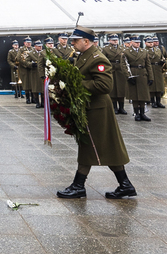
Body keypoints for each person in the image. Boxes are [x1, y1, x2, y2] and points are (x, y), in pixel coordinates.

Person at [56, 26, 136, 199]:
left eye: (76, 40)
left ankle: (78, 186)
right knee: (104, 146)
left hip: (97, 109)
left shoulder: (97, 59)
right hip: (91, 107)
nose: (73, 43)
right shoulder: (83, 56)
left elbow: (105, 86)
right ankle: (125, 185)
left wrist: (74, 83)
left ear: (86, 41)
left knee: (91, 144)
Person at [124, 36, 152, 121]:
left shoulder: (144, 51)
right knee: (135, 95)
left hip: (142, 74)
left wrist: (151, 77)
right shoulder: (126, 52)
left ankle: (143, 113)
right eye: (136, 42)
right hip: (133, 73)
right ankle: (137, 113)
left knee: (143, 95)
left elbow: (148, 65)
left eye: (139, 42)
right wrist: (128, 76)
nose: (138, 44)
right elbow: (124, 65)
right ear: (131, 42)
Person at [102, 34, 127, 115]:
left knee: (121, 90)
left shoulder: (122, 48)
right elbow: (103, 60)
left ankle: (121, 107)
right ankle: (114, 107)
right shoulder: (106, 49)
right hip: (111, 69)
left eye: (116, 39)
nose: (115, 41)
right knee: (113, 90)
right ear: (109, 40)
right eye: (113, 40)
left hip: (120, 70)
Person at [146, 36, 166, 108]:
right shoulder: (144, 51)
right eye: (149, 42)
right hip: (150, 67)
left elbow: (162, 57)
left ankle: (158, 101)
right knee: (152, 87)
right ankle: (153, 102)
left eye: (151, 42)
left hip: (158, 68)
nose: (151, 44)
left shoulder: (157, 50)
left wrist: (162, 62)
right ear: (145, 43)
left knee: (159, 86)